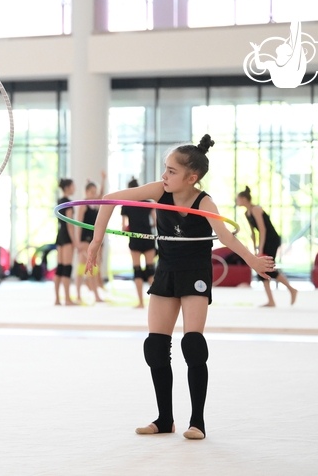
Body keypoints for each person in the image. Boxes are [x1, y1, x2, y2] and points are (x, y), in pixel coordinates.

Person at [86, 134, 275, 440]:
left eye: (171, 171)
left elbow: (225, 237)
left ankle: (197, 421)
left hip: (195, 273)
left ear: (192, 177)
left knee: (193, 345)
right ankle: (164, 419)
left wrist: (253, 260)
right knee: (156, 348)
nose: (164, 176)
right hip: (166, 272)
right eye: (165, 169)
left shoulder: (205, 202)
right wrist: (96, 242)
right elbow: (109, 200)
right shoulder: (159, 191)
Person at [236, 186, 297, 307]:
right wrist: (255, 249)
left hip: (271, 240)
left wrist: (261, 249)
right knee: (262, 269)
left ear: (244, 198)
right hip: (264, 241)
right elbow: (253, 233)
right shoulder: (246, 213)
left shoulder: (256, 209)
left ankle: (291, 289)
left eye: (238, 199)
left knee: (267, 267)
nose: (236, 201)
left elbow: (263, 230)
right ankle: (271, 300)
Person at [120, 178, 157, 309]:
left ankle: (140, 302)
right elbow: (155, 222)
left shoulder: (126, 205)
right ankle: (156, 303)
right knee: (150, 270)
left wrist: (132, 226)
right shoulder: (148, 203)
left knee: (137, 270)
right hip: (148, 237)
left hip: (135, 239)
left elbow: (124, 227)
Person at [75, 171, 106, 304]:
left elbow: (102, 195)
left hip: (93, 240)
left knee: (93, 267)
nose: (94, 194)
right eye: (91, 192)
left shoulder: (96, 205)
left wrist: (103, 179)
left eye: (95, 192)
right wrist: (78, 242)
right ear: (86, 192)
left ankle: (95, 294)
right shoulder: (83, 205)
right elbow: (78, 224)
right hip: (84, 240)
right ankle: (78, 294)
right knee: (83, 266)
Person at [54, 178, 77, 305]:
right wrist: (75, 242)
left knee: (60, 267)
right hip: (67, 236)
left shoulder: (60, 201)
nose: (75, 189)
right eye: (73, 186)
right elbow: (70, 224)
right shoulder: (68, 203)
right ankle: (67, 299)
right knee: (67, 268)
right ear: (67, 187)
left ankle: (57, 299)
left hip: (60, 235)